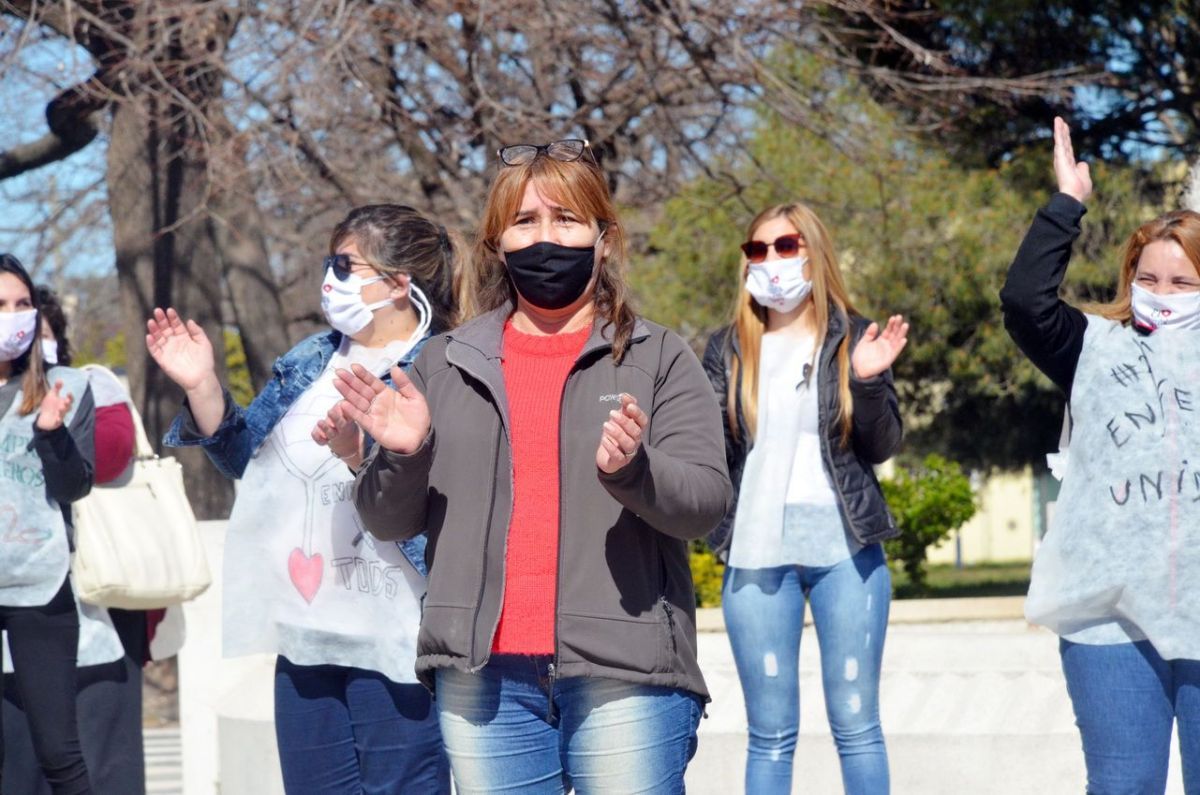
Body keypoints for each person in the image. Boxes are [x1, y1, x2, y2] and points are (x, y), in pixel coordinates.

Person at [327, 139, 731, 794]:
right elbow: (385, 519)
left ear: (603, 239)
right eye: (525, 221)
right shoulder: (444, 362)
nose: (546, 238)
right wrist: (403, 453)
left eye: (566, 219)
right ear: (498, 243)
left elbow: (707, 501)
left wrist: (635, 470)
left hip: (626, 674)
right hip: (482, 681)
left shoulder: (659, 355)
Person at [149, 205, 456, 793]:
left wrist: (362, 452)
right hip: (307, 634)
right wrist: (202, 386)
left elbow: (447, 495)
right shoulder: (313, 357)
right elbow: (247, 458)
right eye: (327, 263)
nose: (328, 279)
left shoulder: (444, 365)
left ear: (398, 283)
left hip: (400, 637)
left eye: (344, 265)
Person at [1000, 117, 1200, 794]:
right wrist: (1067, 204)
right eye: (1150, 278)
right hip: (1109, 620)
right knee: (1122, 784)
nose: (1162, 295)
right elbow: (1025, 303)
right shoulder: (1093, 347)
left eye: (1182, 282)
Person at [702, 203, 908, 794]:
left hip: (848, 552)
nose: (770, 261)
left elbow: (882, 444)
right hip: (756, 552)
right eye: (757, 250)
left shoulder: (854, 335)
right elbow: (713, 452)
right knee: (769, 734)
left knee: (857, 724)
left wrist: (867, 382)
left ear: (815, 255)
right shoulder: (727, 349)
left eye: (786, 246)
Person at [2, 286, 145, 794]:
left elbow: (103, 461)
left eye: (31, 321)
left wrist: (53, 431)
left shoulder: (83, 387)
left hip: (87, 612)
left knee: (83, 765)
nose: (17, 330)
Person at [0, 255, 95, 794]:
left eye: (21, 305)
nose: (12, 317)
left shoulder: (67, 386)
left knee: (59, 752)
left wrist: (51, 433)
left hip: (40, 584)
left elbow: (73, 487)